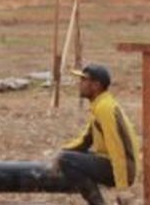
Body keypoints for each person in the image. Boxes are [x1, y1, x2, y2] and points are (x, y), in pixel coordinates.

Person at [55, 63, 142, 205]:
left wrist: (122, 187)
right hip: (115, 163)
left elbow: (117, 147)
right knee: (67, 157)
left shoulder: (105, 108)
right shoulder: (100, 105)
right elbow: (85, 140)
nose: (80, 84)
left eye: (84, 80)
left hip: (124, 168)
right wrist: (62, 150)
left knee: (66, 160)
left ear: (96, 85)